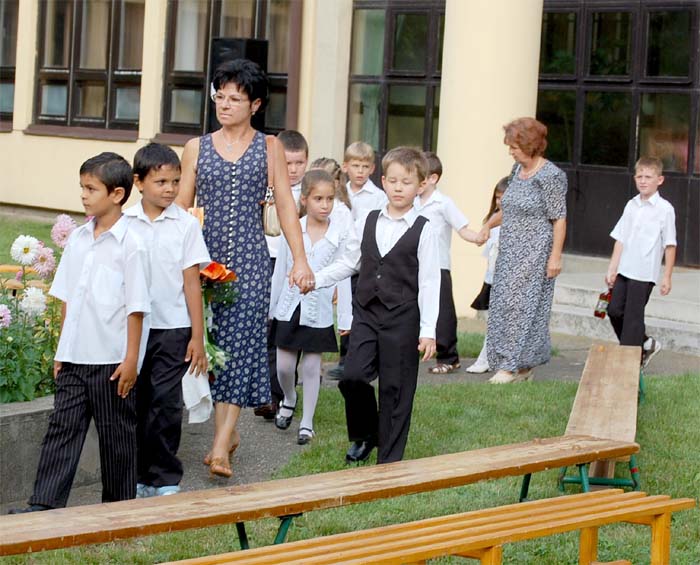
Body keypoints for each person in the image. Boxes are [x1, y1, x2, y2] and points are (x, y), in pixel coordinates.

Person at [177, 59, 314, 479]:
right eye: (219, 96)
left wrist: (300, 259)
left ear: (255, 104)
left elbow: (286, 205)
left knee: (240, 348)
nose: (224, 104)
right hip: (204, 263)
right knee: (213, 349)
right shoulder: (196, 147)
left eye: (234, 98)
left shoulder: (270, 147)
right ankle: (228, 434)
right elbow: (181, 208)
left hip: (251, 264)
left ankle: (220, 445)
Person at [10, 153, 150, 513]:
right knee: (62, 430)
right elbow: (68, 298)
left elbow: (136, 308)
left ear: (117, 194)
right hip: (75, 357)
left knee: (116, 439)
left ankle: (118, 512)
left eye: (91, 189)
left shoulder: (132, 244)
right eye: (82, 188)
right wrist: (61, 350)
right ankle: (44, 505)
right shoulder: (78, 239)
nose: (84, 195)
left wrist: (131, 360)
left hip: (112, 363)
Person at [314, 146, 441, 464]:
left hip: (403, 318)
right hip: (368, 313)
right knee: (353, 376)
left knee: (395, 389)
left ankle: (389, 461)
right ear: (383, 181)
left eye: (407, 183)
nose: (399, 188)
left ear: (420, 186)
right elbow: (349, 262)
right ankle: (366, 433)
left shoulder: (424, 229)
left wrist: (427, 330)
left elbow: (429, 282)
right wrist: (316, 279)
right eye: (393, 181)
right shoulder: (367, 221)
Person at [124, 143, 211, 497]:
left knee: (165, 403)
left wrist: (197, 337)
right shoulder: (125, 223)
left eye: (176, 181)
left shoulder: (186, 225)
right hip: (133, 329)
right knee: (136, 402)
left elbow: (192, 283)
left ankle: (165, 478)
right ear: (138, 182)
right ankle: (137, 476)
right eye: (161, 182)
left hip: (173, 327)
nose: (170, 189)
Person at [269, 170, 355, 444]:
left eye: (330, 199)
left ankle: (307, 423)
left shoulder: (339, 234)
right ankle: (289, 398)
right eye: (319, 199)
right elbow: (280, 270)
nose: (325, 205)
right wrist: (271, 309)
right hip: (289, 306)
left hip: (318, 311)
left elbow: (344, 276)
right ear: (305, 199)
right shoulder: (293, 228)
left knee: (311, 366)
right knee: (284, 366)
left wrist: (346, 318)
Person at [479, 117, 567, 384]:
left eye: (514, 147)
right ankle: (522, 366)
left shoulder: (551, 176)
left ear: (530, 145)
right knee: (503, 304)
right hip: (509, 251)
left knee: (523, 307)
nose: (510, 151)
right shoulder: (517, 170)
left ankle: (510, 366)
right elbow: (508, 208)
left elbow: (559, 218)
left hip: (535, 253)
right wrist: (487, 226)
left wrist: (555, 257)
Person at [255, 130, 310, 420]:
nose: (293, 169)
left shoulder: (310, 194)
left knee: (286, 328)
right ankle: (268, 394)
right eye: (287, 163)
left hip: (294, 264)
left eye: (299, 163)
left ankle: (282, 391)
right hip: (265, 259)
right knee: (265, 327)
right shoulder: (265, 187)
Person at [414, 151, 483, 374]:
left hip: (438, 266)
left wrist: (478, 237)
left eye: (420, 178)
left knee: (443, 313)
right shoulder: (411, 202)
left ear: (433, 178)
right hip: (413, 266)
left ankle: (449, 357)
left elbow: (462, 228)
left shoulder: (443, 203)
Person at [605, 156, 676, 367]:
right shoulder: (631, 205)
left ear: (659, 180)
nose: (643, 181)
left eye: (648, 177)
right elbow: (620, 238)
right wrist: (612, 268)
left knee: (632, 320)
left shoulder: (665, 209)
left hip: (644, 273)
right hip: (625, 269)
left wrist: (667, 276)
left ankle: (628, 365)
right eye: (639, 176)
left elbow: (670, 245)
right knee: (614, 310)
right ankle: (645, 343)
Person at [327, 142, 388, 380]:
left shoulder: (378, 197)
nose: (360, 171)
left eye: (364, 166)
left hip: (365, 261)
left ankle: (361, 358)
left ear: (372, 168)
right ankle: (345, 358)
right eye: (355, 166)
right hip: (342, 257)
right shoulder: (338, 193)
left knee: (360, 308)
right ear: (345, 167)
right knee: (344, 308)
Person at [466, 177, 509, 374]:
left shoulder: (514, 223)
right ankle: (489, 358)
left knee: (500, 322)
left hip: (505, 279)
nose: (500, 201)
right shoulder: (491, 222)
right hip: (492, 278)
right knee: (493, 321)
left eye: (504, 197)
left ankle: (487, 358)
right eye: (497, 197)